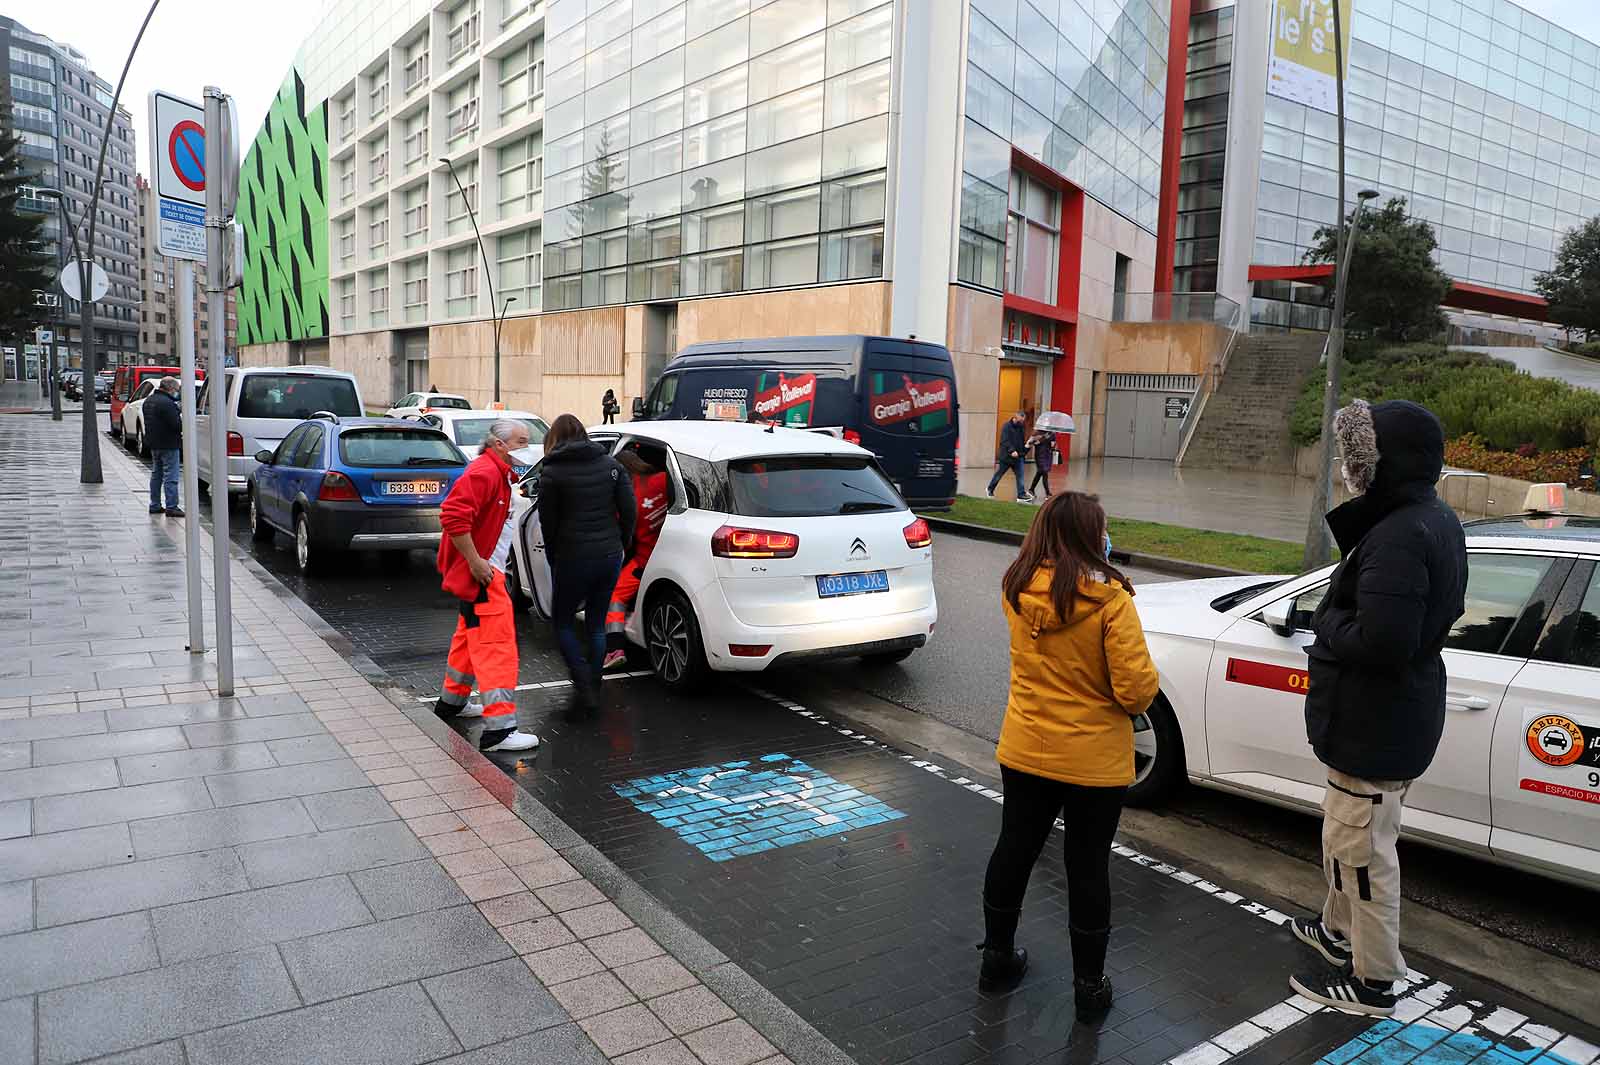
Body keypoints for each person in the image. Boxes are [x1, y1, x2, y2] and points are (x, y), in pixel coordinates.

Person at [1288, 400, 1466, 1016]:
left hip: (1375, 724)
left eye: (1354, 455)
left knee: (1365, 857)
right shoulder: (1431, 519)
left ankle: (1375, 982)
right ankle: (1338, 934)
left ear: (1380, 462)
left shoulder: (1398, 534)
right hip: (1385, 721)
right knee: (1348, 837)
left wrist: (1327, 622)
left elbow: (1384, 641)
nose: (1346, 467)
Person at [978, 492, 1159, 1022]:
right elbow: (1136, 692)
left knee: (1014, 848)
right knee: (1086, 866)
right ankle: (1089, 987)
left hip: (1026, 748)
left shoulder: (1016, 587)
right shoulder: (1113, 602)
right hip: (1093, 764)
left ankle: (996, 958)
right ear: (1091, 536)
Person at [434, 419, 541, 753]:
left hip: (481, 574)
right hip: (484, 576)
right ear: (498, 443)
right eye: (521, 441)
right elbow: (452, 515)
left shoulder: (498, 473)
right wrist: (477, 562)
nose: (526, 446)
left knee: (468, 640)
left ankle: (452, 704)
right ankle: (500, 731)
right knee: (497, 647)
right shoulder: (485, 473)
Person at [538, 414, 635, 719]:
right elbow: (629, 510)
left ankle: (582, 683)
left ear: (554, 438)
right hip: (608, 556)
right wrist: (622, 543)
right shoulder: (611, 466)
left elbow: (547, 523)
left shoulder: (552, 473)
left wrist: (554, 556)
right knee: (596, 623)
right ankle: (594, 681)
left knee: (563, 622)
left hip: (572, 557)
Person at [602, 447, 670, 669]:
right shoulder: (663, 479)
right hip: (670, 557)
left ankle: (614, 649)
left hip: (644, 560)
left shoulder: (627, 498)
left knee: (616, 597)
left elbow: (624, 535)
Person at [144, 376, 185, 518]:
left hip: (154, 444)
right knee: (171, 476)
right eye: (176, 390)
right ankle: (172, 506)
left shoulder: (149, 401)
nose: (177, 392)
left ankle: (154, 504)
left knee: (157, 475)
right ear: (170, 388)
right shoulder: (167, 403)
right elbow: (176, 425)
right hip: (169, 444)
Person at [987, 411, 1031, 502]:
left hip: (1018, 458)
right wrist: (1012, 450)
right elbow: (1005, 440)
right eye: (1021, 420)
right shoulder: (1006, 426)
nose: (1022, 422)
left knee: (1020, 476)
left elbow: (1021, 442)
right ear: (1016, 417)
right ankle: (990, 489)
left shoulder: (1021, 428)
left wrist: (1025, 448)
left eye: (1023, 420)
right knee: (999, 474)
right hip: (1006, 457)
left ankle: (1021, 494)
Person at [1027, 429, 1056, 499]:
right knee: (1044, 472)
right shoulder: (1037, 433)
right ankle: (1048, 493)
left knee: (1040, 472)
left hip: (1047, 456)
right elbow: (1030, 443)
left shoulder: (1052, 433)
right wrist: (1036, 440)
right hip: (1039, 455)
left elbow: (1053, 445)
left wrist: (1053, 445)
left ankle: (1031, 490)